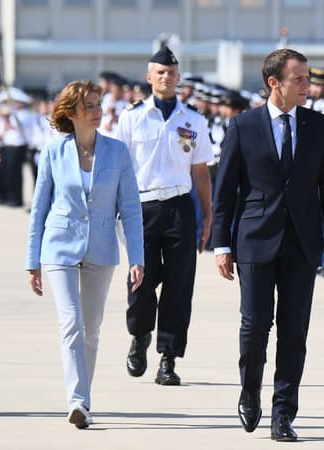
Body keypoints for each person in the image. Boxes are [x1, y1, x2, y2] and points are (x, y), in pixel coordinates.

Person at [212, 48, 324, 442]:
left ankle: (283, 412)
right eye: (299, 79)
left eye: (308, 78)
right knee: (254, 327)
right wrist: (222, 244)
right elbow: (226, 192)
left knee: (294, 332)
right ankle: (250, 389)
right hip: (254, 241)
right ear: (275, 83)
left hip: (303, 244)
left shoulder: (321, 127)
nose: (308, 86)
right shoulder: (243, 126)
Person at [26, 80, 145, 428]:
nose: (98, 111)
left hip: (102, 247)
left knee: (91, 330)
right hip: (60, 246)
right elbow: (39, 208)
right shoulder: (52, 151)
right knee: (71, 325)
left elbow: (131, 209)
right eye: (90, 105)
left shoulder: (117, 152)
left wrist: (136, 256)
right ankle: (79, 402)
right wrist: (32, 261)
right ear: (72, 112)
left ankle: (83, 396)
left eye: (99, 104)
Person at [113, 46, 213, 386]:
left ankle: (168, 358)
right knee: (141, 281)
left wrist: (208, 215)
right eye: (160, 72)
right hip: (141, 206)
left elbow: (200, 171)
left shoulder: (193, 119)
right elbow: (119, 167)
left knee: (179, 285)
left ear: (178, 77)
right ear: (149, 77)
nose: (166, 77)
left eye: (171, 72)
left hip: (180, 207)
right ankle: (140, 336)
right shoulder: (131, 117)